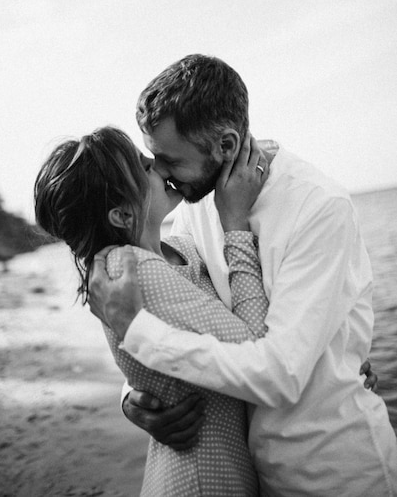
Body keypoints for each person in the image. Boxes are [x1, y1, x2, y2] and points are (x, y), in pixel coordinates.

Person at [89, 54, 397, 496]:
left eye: (168, 159)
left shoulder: (318, 207)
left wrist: (138, 334)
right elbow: (190, 312)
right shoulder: (196, 207)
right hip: (250, 473)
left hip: (337, 471)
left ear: (226, 146)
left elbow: (281, 375)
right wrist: (134, 396)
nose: (157, 173)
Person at [34, 124, 278, 496]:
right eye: (141, 165)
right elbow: (255, 348)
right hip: (200, 482)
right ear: (120, 215)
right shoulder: (130, 268)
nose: (158, 164)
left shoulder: (177, 250)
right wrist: (236, 226)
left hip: (217, 469)